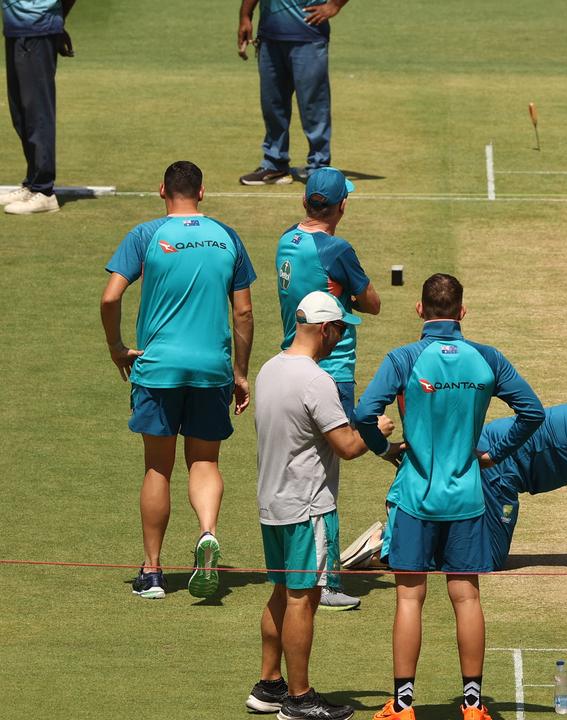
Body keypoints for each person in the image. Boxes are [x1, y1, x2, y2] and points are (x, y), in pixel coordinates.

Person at [353, 273, 545, 720]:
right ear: (462, 313)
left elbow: (365, 414)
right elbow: (532, 412)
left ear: (420, 311)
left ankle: (402, 707)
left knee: (408, 600)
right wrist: (494, 453)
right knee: (467, 599)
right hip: (466, 499)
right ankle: (473, 706)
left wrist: (387, 450)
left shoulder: (403, 359)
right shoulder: (487, 359)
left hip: (415, 497)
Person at [100, 160, 256, 600]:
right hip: (212, 370)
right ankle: (207, 532)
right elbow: (242, 312)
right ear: (202, 193)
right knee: (205, 462)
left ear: (161, 190)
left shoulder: (146, 236)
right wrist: (240, 373)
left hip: (158, 369)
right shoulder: (227, 237)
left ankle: (152, 573)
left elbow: (111, 296)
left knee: (157, 467)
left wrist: (116, 345)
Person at [344, 387, 567, 579]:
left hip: (496, 463)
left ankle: (404, 534)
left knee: (479, 549)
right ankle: (394, 545)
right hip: (495, 467)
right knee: (486, 560)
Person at [247, 291, 393, 720]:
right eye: (341, 330)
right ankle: (298, 698)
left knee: (281, 591)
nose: (342, 338)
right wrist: (377, 429)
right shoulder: (317, 380)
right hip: (307, 506)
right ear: (325, 329)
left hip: (272, 502)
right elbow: (347, 446)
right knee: (302, 598)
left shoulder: (269, 370)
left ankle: (269, 685)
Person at [275, 165, 379, 610]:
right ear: (342, 206)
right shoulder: (336, 248)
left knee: (302, 471)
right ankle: (326, 580)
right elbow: (372, 303)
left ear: (304, 202)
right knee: (324, 479)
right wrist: (348, 297)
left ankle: (306, 570)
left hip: (289, 361)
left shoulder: (285, 240)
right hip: (332, 370)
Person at [237, 0, 347, 185]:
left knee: (313, 107)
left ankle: (319, 167)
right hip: (270, 37)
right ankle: (274, 164)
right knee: (272, 105)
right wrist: (245, 16)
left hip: (309, 37)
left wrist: (334, 5)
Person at [1, 0, 74, 215]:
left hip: (38, 28)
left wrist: (57, 24)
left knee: (37, 112)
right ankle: (32, 184)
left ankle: (44, 191)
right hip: (17, 28)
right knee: (21, 113)